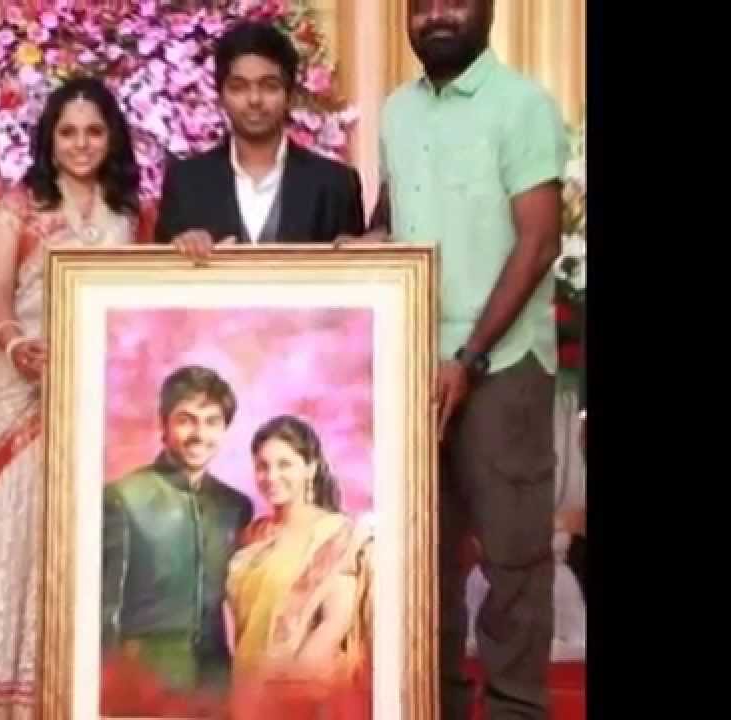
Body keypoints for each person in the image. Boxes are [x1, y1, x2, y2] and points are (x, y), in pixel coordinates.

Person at [369, 1, 568, 717]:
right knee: (423, 557)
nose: (437, 17)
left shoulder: (522, 106)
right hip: (412, 366)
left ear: (486, 10)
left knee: (513, 559)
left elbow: (538, 242)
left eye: (453, 1)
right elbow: (392, 218)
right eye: (421, 6)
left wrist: (469, 356)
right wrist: (363, 249)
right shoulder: (397, 112)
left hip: (500, 365)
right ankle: (437, 703)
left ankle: (516, 707)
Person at [0, 75, 145, 720]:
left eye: (93, 131)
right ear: (49, 140)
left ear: (111, 139)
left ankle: (76, 691)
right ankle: (1, 696)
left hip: (98, 391)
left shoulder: (128, 214)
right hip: (24, 383)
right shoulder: (15, 209)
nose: (81, 144)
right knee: (18, 521)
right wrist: (14, 342)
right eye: (68, 132)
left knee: (89, 530)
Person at [102, 366, 253, 699]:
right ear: (164, 425)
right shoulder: (123, 498)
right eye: (186, 420)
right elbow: (102, 611)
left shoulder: (236, 507)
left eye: (212, 422)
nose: (200, 433)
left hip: (216, 685)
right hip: (142, 683)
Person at [154, 20, 365, 259]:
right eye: (239, 87)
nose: (254, 99)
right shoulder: (186, 183)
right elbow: (161, 274)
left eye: (269, 86)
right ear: (220, 96)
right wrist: (182, 249)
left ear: (290, 94)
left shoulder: (335, 185)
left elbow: (355, 273)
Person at [226, 415, 373, 720]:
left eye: (284, 464)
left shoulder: (335, 534)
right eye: (262, 466)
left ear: (311, 468)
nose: (271, 476)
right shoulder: (254, 535)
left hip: (300, 697)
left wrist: (288, 695)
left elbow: (334, 622)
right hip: (246, 690)